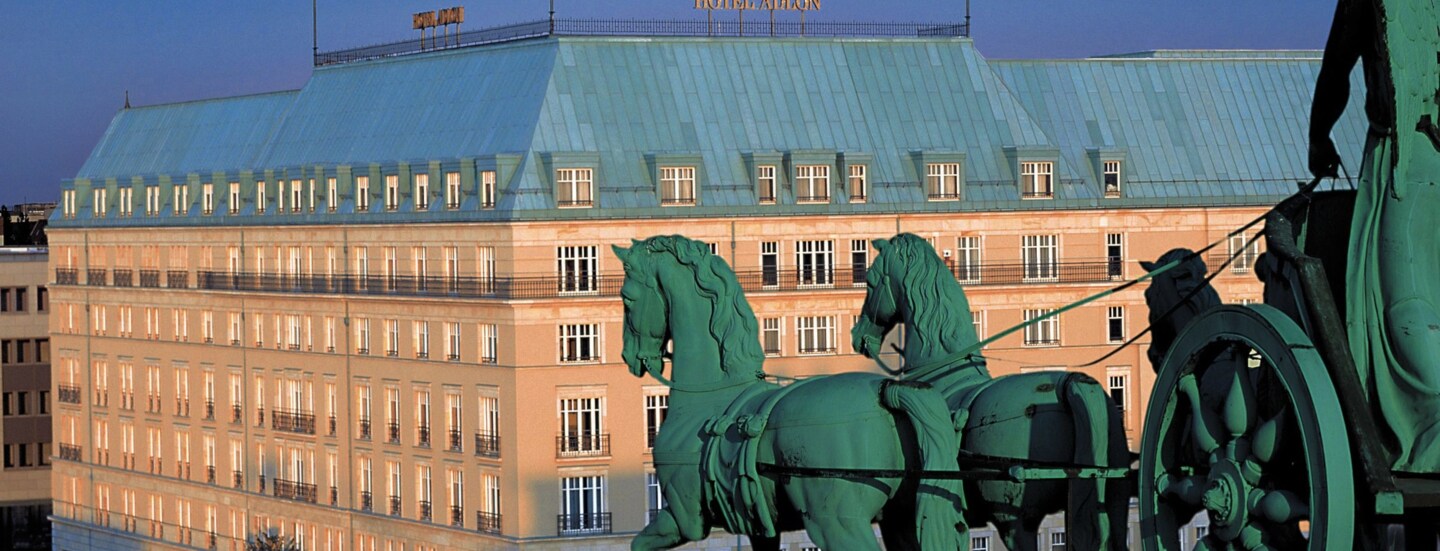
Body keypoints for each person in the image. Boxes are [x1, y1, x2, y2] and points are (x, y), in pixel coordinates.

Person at [1309, 0, 1440, 473]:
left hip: (1401, 158)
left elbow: (1335, 70)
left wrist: (1318, 138)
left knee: (1398, 302)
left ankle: (1427, 425)